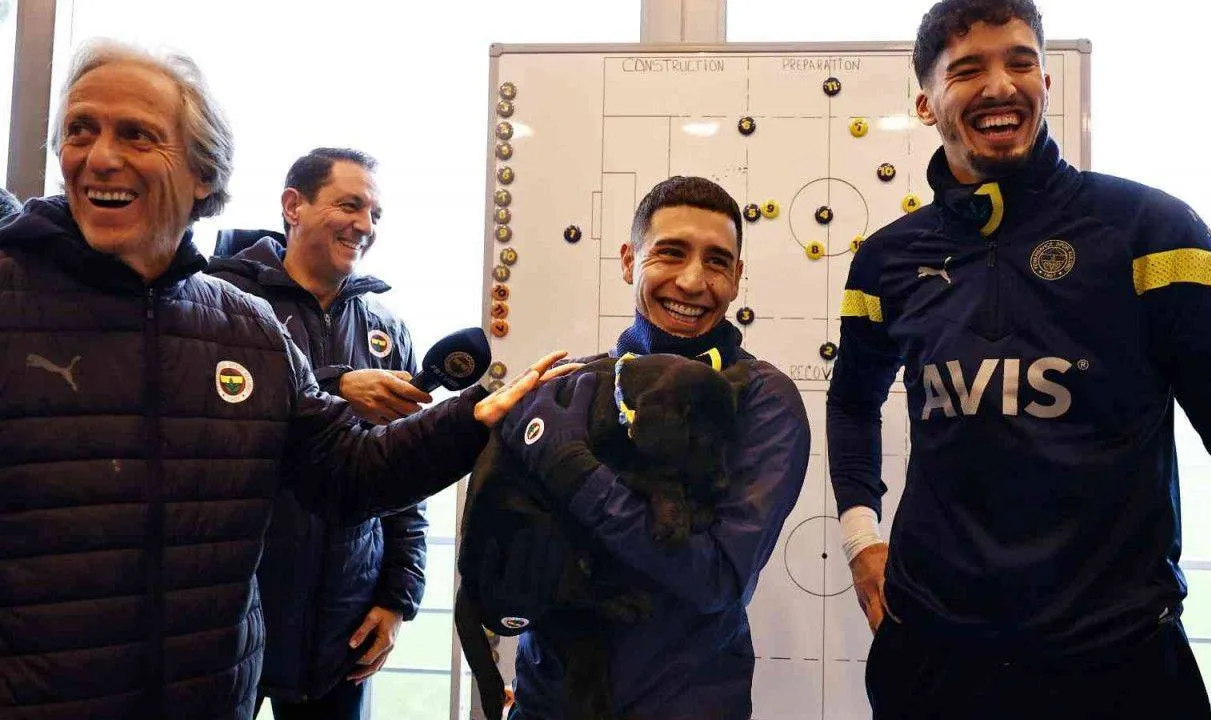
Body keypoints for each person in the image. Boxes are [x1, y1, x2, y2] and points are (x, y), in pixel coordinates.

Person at [0, 40, 569, 720]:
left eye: (136, 135)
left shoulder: (245, 329)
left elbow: (348, 473)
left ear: (204, 174)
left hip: (218, 694)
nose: (98, 157)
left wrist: (475, 419)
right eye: (79, 130)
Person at [827, 1, 1211, 717]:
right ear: (925, 103)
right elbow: (852, 401)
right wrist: (861, 539)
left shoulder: (1154, 234)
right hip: (930, 665)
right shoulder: (886, 261)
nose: (1000, 85)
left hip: (1119, 667)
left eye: (1020, 62)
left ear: (1044, 80)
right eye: (967, 69)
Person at [492, 175, 810, 719]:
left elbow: (716, 580)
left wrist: (573, 472)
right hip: (547, 701)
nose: (692, 281)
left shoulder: (760, 399)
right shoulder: (576, 385)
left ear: (737, 278)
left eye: (716, 262)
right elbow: (517, 551)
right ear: (628, 260)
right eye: (670, 253)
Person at [207, 148, 429, 719]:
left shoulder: (387, 329)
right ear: (293, 206)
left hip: (342, 630)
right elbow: (206, 435)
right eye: (350, 205)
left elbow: (406, 476)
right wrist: (337, 386)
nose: (365, 225)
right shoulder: (223, 305)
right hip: (228, 620)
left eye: (375, 213)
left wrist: (397, 597)